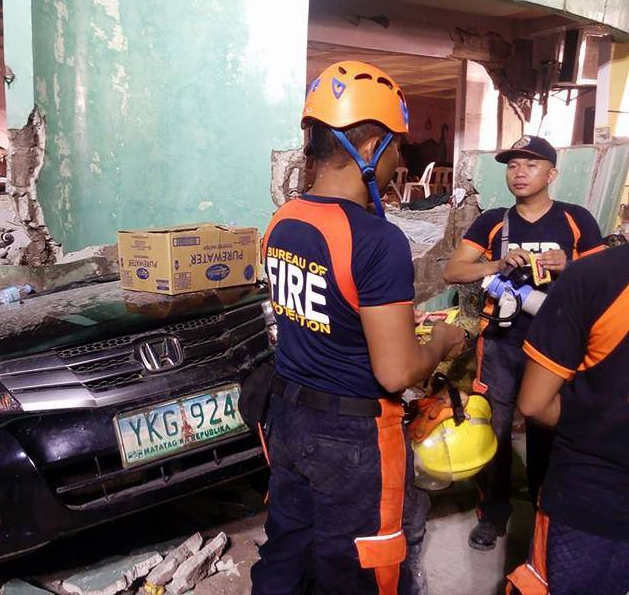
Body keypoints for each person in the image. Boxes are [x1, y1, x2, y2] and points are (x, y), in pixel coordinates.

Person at [250, 61, 466, 595]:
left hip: (290, 417)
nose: (399, 161)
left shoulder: (284, 220)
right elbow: (395, 372)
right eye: (398, 147)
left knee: (287, 553)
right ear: (369, 149)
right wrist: (441, 341)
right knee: (364, 568)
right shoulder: (375, 239)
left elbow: (323, 312)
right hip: (353, 437)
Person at [443, 135, 605, 551]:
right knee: (494, 431)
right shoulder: (494, 221)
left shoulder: (576, 220)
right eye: (513, 165)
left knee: (548, 432)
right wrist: (498, 263)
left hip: (557, 347)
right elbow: (453, 272)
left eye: (530, 165)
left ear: (551, 173)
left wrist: (568, 266)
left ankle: (545, 517)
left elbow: (604, 279)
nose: (519, 172)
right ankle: (493, 514)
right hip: (501, 344)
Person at [506, 243, 629, 595]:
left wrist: (596, 418)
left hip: (593, 500)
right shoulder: (496, 224)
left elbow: (534, 405)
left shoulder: (593, 273)